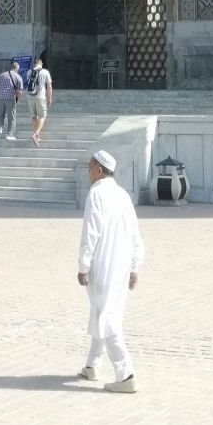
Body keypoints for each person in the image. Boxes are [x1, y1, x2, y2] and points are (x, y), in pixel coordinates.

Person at [76, 149, 145, 393]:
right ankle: (92, 365)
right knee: (103, 310)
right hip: (122, 264)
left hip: (103, 264)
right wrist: (135, 265)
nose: (88, 172)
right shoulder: (122, 195)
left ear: (99, 170)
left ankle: (126, 375)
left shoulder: (96, 194)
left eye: (89, 167)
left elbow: (90, 232)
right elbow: (135, 232)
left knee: (107, 317)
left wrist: (83, 265)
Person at [26, 54, 53, 146]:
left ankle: (36, 134)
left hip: (30, 96)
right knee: (42, 116)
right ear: (41, 64)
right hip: (40, 97)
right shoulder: (45, 72)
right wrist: (49, 97)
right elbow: (49, 86)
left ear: (34, 64)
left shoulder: (29, 72)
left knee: (34, 116)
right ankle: (36, 134)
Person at [0, 58, 23, 142]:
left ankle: (0, 129)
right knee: (11, 117)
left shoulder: (2, 75)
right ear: (17, 69)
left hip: (1, 98)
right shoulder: (18, 77)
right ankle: (9, 134)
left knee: (1, 114)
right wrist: (19, 100)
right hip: (10, 98)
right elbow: (20, 91)